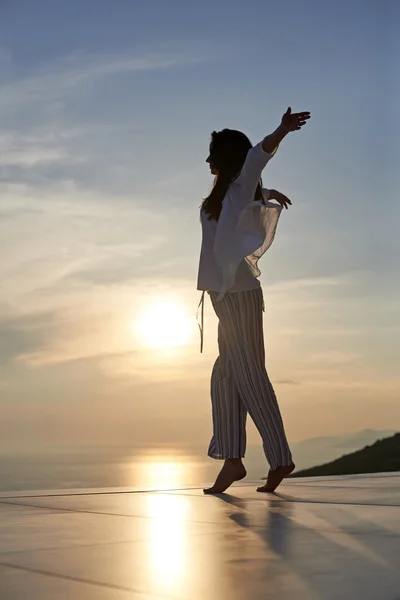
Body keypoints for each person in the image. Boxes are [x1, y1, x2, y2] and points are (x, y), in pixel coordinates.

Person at [197, 107, 311, 494]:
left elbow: (257, 157)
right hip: (221, 297)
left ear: (227, 156)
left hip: (241, 293)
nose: (208, 159)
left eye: (213, 152)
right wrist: (265, 193)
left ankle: (280, 457)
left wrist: (281, 130)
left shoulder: (241, 182)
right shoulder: (228, 193)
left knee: (248, 373)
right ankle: (232, 460)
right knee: (225, 376)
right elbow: (241, 201)